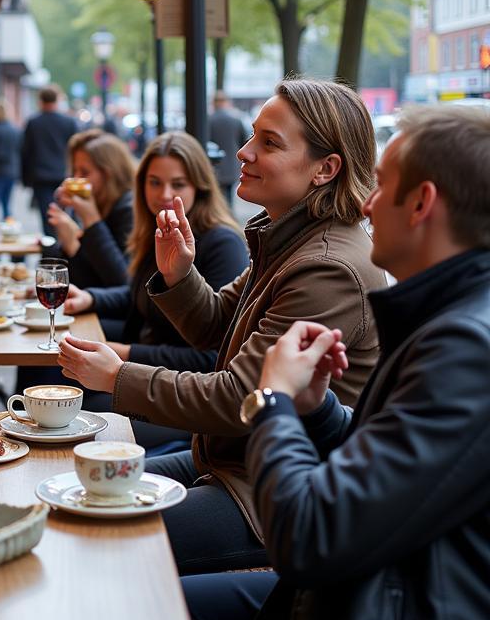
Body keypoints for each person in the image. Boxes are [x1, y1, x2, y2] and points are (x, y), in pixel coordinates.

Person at [66, 102, 490, 620]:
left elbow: (311, 531)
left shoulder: (435, 330)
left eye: (383, 190)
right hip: (345, 582)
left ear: (422, 203)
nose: (367, 206)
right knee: (96, 527)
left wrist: (275, 403)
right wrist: (312, 411)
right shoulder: (294, 243)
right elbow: (227, 333)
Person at [58, 78, 385, 574]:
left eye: (269, 143)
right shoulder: (288, 237)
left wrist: (117, 377)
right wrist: (179, 273)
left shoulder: (327, 267)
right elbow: (215, 324)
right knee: (76, 488)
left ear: (326, 168)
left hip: (272, 493)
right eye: (253, 135)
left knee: (96, 531)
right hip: (230, 463)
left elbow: (244, 399)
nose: (244, 152)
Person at [65, 132, 248, 452]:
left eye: (178, 184)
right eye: (154, 182)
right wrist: (91, 298)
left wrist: (123, 352)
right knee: (59, 385)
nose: (164, 194)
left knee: (75, 413)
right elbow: (140, 295)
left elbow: (209, 358)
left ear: (199, 187)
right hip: (146, 372)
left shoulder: (222, 243)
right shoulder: (156, 230)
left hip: (180, 395)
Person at [47, 129, 135, 289]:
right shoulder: (90, 202)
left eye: (85, 172)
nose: (76, 178)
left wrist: (91, 221)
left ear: (109, 174)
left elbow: (122, 283)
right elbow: (81, 279)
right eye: (75, 171)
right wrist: (68, 244)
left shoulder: (129, 209)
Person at [21, 87, 79, 236]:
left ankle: (51, 251)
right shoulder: (69, 122)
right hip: (63, 176)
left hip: (41, 177)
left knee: (47, 218)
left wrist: (26, 179)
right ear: (57, 100)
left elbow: (26, 152)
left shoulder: (34, 123)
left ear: (41, 101)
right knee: (66, 216)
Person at [208, 90, 248, 205]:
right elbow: (244, 142)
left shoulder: (209, 120)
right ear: (227, 102)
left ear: (214, 103)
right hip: (232, 165)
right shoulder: (236, 120)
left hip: (214, 165)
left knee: (216, 197)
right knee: (229, 198)